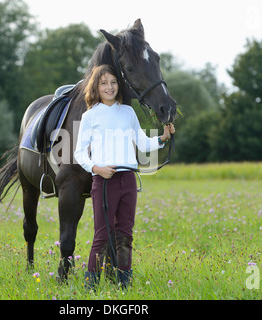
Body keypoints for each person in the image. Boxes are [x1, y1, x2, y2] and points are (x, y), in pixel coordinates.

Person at [74, 64, 175, 291]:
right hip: (104, 180)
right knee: (102, 235)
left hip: (128, 179)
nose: (109, 87)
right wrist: (96, 168)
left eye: (113, 82)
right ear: (96, 87)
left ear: (118, 85)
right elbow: (79, 152)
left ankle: (123, 285)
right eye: (103, 83)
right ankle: (91, 287)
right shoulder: (90, 116)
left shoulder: (128, 112)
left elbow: (141, 143)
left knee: (125, 235)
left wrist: (163, 138)